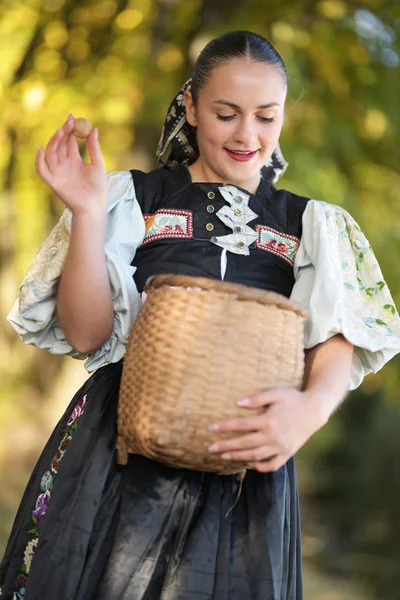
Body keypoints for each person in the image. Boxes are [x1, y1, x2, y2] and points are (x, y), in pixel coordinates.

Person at [1, 30, 399, 600]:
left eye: (266, 117)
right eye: (226, 113)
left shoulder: (311, 225)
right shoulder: (133, 199)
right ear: (189, 107)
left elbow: (338, 336)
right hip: (117, 460)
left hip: (246, 469)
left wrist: (308, 411)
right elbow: (89, 333)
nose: (247, 134)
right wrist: (87, 214)